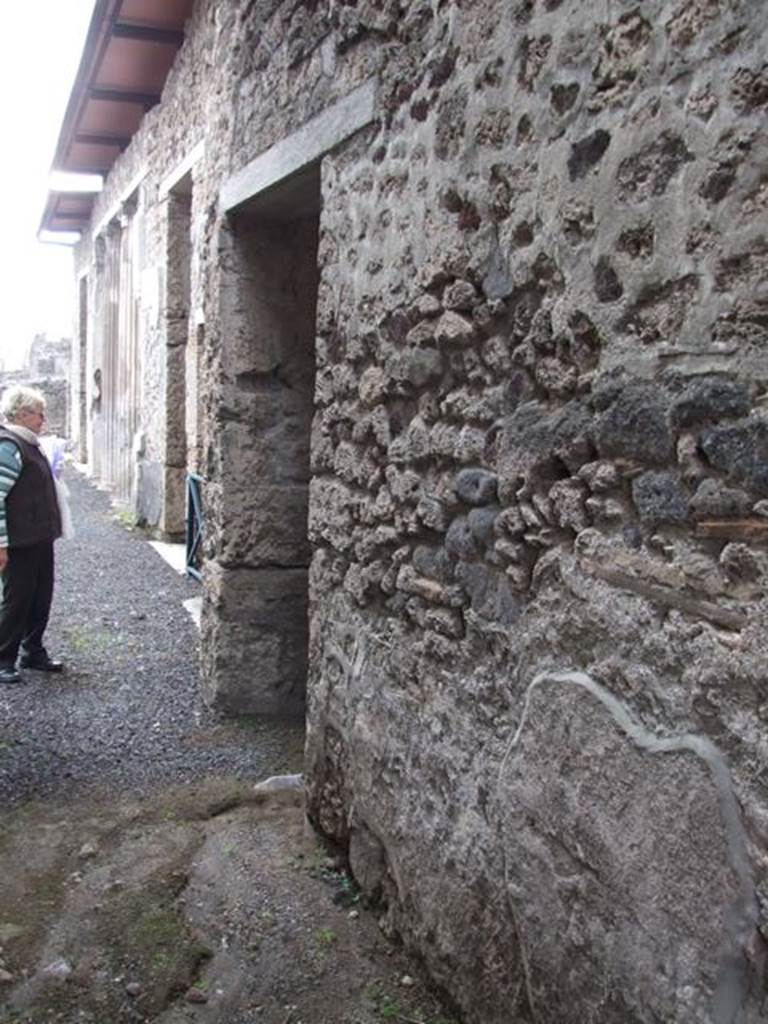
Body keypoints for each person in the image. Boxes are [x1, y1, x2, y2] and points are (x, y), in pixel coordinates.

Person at [0, 386, 64, 684]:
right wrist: (0, 544)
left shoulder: (29, 443)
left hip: (38, 537)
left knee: (41, 595)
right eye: (39, 413)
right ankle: (3, 659)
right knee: (17, 600)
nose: (43, 419)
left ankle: (32, 651)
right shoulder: (9, 445)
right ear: (22, 415)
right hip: (18, 541)